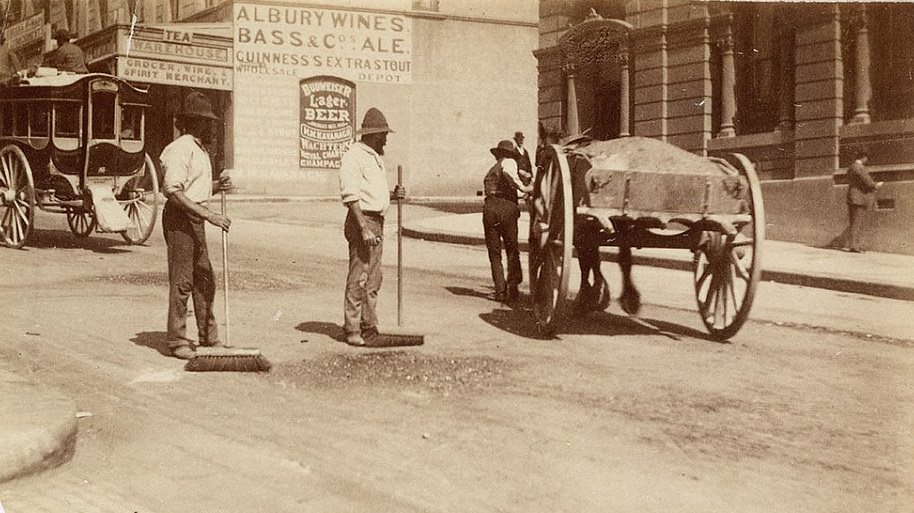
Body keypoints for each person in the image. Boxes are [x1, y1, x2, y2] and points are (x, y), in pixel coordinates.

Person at [160, 91, 232, 359]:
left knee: (205, 278)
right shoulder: (180, 148)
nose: (210, 126)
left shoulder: (200, 149)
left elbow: (194, 188)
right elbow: (174, 191)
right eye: (205, 121)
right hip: (180, 219)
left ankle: (207, 335)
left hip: (195, 217)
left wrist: (216, 186)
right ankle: (177, 340)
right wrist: (209, 215)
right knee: (183, 281)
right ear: (193, 122)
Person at [339, 108, 405, 346]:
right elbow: (351, 195)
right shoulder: (354, 156)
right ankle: (353, 329)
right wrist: (364, 228)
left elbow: (371, 193)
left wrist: (393, 195)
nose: (386, 139)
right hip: (363, 221)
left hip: (375, 221)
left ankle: (369, 326)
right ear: (373, 135)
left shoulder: (373, 156)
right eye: (383, 135)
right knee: (360, 276)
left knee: (373, 278)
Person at [483, 139, 533, 303]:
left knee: (494, 253)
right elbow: (509, 174)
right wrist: (524, 188)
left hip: (490, 208)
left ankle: (500, 291)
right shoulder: (509, 162)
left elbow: (503, 185)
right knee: (512, 248)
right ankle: (513, 286)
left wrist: (520, 192)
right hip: (507, 209)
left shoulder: (492, 170)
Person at [845, 150, 882, 253]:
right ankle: (855, 246)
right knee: (857, 223)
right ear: (863, 157)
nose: (867, 160)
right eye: (866, 158)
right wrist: (876, 185)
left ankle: (854, 245)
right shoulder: (860, 168)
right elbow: (868, 182)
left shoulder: (851, 167)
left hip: (852, 197)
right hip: (859, 199)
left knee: (853, 222)